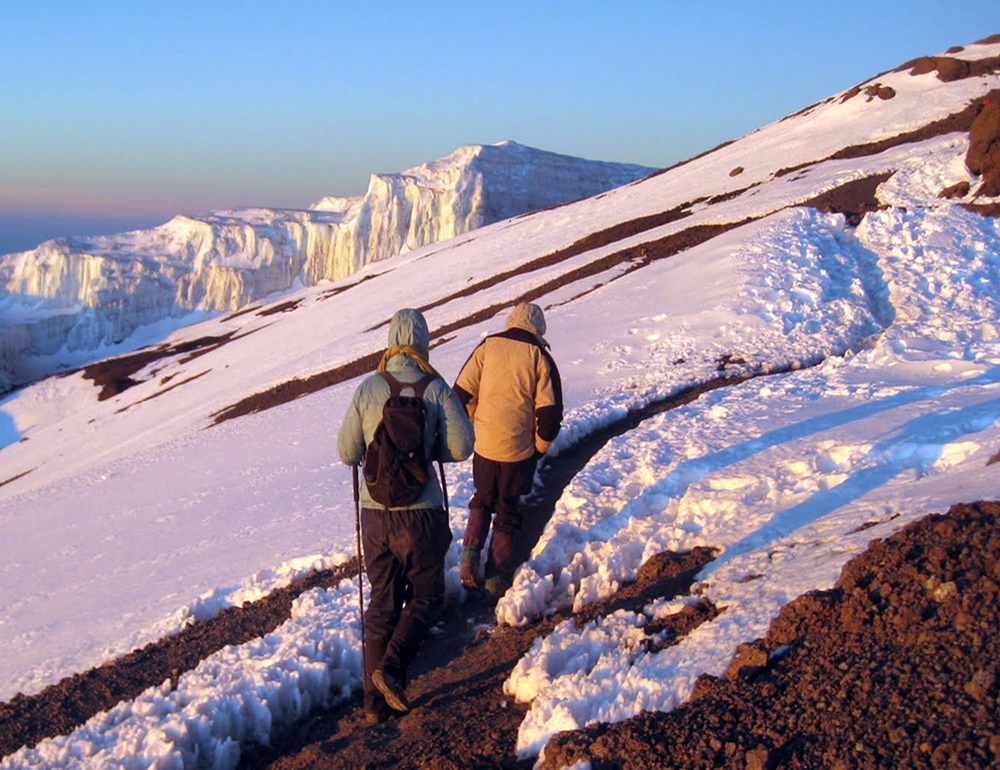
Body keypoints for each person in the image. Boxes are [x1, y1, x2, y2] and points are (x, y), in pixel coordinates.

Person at [338, 308, 474, 723]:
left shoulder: (368, 387)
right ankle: (392, 671)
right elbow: (462, 446)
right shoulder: (435, 388)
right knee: (428, 597)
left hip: (375, 514)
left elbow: (347, 452)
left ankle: (374, 707)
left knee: (382, 602)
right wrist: (425, 449)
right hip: (421, 514)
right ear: (423, 344)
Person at [452, 302, 563, 598]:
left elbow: (459, 394)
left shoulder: (488, 346)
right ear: (539, 331)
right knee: (507, 510)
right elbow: (550, 418)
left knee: (483, 499)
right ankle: (495, 578)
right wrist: (537, 449)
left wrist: (476, 425)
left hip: (485, 446)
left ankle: (469, 557)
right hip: (518, 453)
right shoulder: (540, 357)